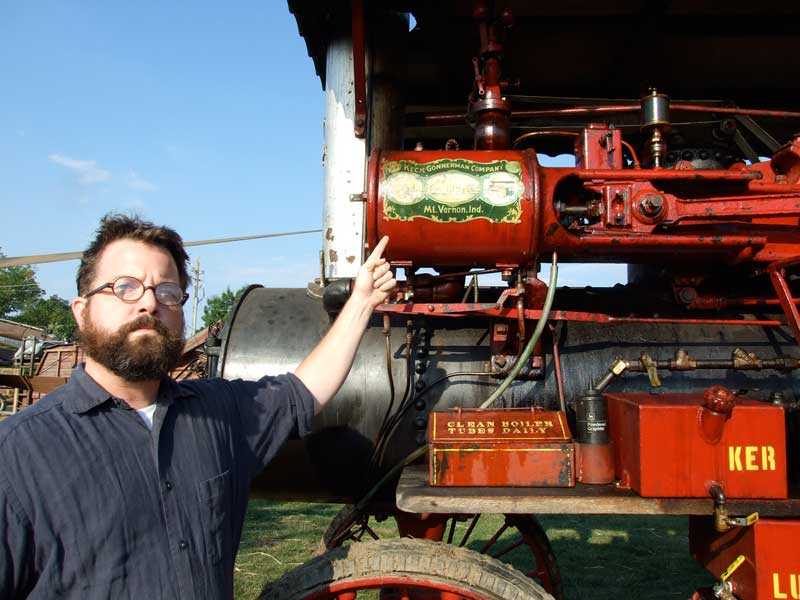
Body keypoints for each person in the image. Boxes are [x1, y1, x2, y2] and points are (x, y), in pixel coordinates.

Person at [0, 214, 395, 599]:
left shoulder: (218, 414)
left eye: (167, 292)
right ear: (81, 310)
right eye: (125, 287)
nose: (149, 304)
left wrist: (361, 302)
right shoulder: (17, 454)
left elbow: (303, 391)